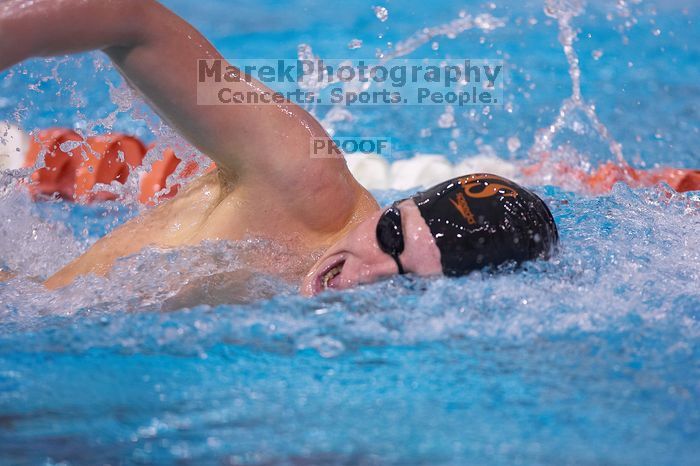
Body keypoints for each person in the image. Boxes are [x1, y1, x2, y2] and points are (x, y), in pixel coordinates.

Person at [0, 0, 558, 296]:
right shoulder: (299, 176)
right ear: (396, 205)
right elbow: (130, 19)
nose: (362, 278)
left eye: (410, 285)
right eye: (390, 236)